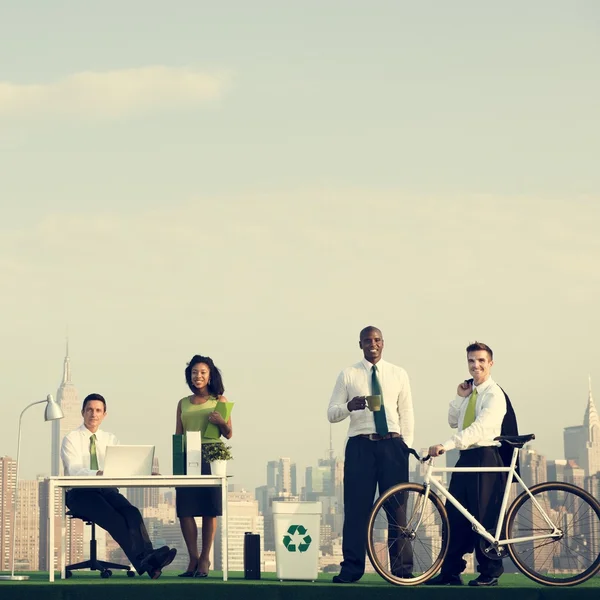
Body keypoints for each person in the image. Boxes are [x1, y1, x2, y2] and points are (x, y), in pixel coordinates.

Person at [327, 326, 414, 584]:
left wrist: (405, 447)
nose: (372, 344)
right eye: (367, 341)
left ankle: (401, 571)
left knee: (397, 510)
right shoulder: (348, 375)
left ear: (383, 343)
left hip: (392, 446)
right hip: (360, 447)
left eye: (376, 340)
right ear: (360, 344)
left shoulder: (398, 374)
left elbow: (406, 413)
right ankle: (352, 569)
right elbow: (331, 413)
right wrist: (348, 406)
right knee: (356, 511)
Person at [60, 393, 177, 579]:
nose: (93, 414)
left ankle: (149, 560)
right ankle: (149, 562)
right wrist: (97, 473)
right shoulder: (71, 439)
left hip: (106, 490)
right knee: (114, 518)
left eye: (98, 410)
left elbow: (122, 468)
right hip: (80, 493)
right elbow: (74, 470)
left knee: (132, 512)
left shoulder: (110, 439)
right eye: (89, 409)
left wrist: (144, 473)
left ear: (104, 414)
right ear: (82, 412)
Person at [426, 342, 507, 587]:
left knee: (483, 517)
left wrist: (446, 445)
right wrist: (459, 397)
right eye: (472, 361)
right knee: (454, 515)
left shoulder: (494, 395)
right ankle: (450, 572)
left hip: (485, 456)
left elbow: (478, 429)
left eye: (481, 360)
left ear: (490, 363)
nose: (476, 365)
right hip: (466, 458)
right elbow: (453, 421)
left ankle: (490, 572)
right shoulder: (471, 393)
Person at [175, 355, 233, 578]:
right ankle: (193, 558)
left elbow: (228, 434)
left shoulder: (220, 400)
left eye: (202, 372)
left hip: (212, 454)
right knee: (185, 510)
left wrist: (220, 421)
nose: (197, 376)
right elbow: (178, 434)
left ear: (210, 376)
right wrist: (177, 462)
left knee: (210, 510)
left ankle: (205, 559)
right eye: (194, 373)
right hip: (188, 455)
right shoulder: (182, 402)